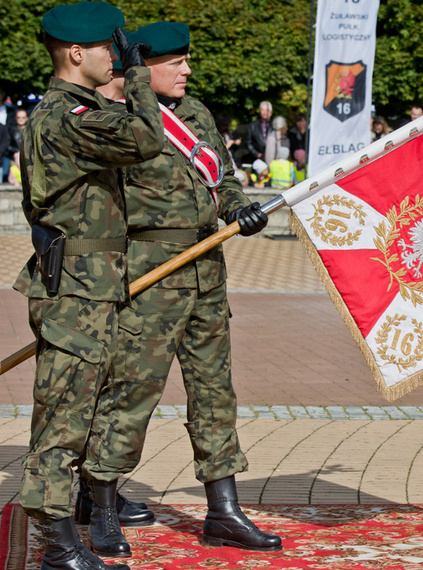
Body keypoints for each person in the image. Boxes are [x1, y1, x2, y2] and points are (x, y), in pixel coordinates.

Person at [80, 21, 281, 558]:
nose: (188, 70)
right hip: (150, 273)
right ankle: (99, 503)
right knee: (132, 391)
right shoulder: (115, 121)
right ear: (142, 69)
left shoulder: (197, 116)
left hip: (206, 270)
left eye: (188, 60)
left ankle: (224, 511)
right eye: (177, 62)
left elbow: (225, 178)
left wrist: (238, 206)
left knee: (215, 392)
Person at [12, 4, 164, 569]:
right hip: (75, 290)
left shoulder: (77, 111)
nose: (118, 59)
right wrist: (142, 75)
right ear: (77, 53)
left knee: (75, 414)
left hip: (89, 285)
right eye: (111, 49)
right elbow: (148, 136)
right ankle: (57, 546)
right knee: (62, 420)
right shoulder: (66, 116)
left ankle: (63, 536)